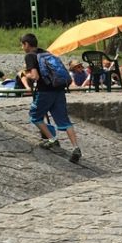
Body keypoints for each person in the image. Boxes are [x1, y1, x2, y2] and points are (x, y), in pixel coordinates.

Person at [20, 33, 82, 163]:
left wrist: (24, 75)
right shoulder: (46, 53)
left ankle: (52, 139)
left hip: (45, 91)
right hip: (59, 90)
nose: (22, 47)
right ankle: (76, 147)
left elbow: (35, 76)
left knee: (35, 116)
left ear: (26, 44)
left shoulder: (30, 56)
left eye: (22, 44)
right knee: (65, 121)